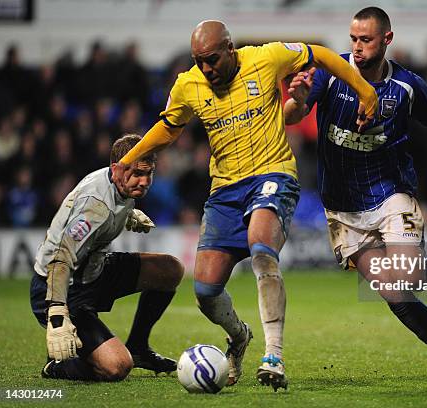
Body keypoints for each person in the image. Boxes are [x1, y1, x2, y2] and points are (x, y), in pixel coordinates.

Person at [112, 20, 379, 391]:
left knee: (262, 250)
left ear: (230, 48)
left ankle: (274, 355)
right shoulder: (188, 84)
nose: (206, 68)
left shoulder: (266, 58)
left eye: (212, 59)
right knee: (205, 291)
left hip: (273, 175)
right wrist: (131, 158)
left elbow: (319, 54)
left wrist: (365, 92)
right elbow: (169, 127)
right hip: (224, 191)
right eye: (198, 60)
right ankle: (239, 336)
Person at [284, 7, 427, 385]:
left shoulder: (406, 86)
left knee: (405, 277)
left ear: (386, 39)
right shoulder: (329, 73)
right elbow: (294, 115)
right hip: (342, 210)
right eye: (353, 39)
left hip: (391, 195)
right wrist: (298, 98)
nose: (357, 47)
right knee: (396, 296)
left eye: (366, 40)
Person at [30, 134, 184, 381]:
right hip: (61, 288)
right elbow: (60, 258)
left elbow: (110, 200)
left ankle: (138, 347)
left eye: (149, 173)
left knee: (170, 270)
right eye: (137, 173)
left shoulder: (116, 179)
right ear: (117, 169)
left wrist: (128, 213)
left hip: (94, 271)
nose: (144, 182)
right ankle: (58, 366)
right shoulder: (95, 206)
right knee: (117, 367)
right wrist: (58, 314)